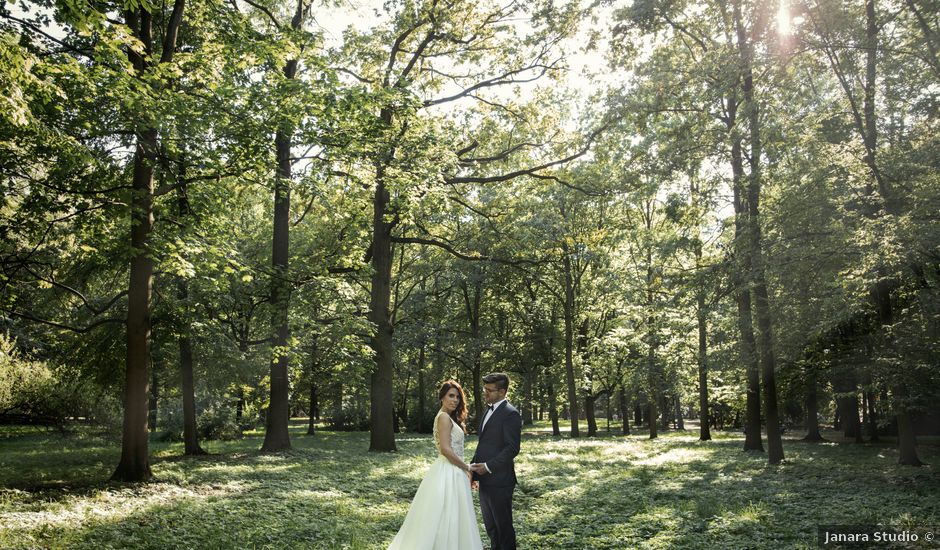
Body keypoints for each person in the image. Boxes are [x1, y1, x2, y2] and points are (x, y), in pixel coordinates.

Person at [389, 380, 484, 550]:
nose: (454, 400)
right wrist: (467, 467)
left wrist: (466, 472)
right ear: (442, 397)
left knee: (454, 515)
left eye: (457, 397)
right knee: (446, 515)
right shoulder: (443, 417)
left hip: (455, 470)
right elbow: (446, 450)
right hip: (449, 471)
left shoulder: (449, 417)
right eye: (451, 396)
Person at [469, 373, 522, 550]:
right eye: (485, 389)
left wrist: (488, 466)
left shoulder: (511, 414)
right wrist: (472, 470)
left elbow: (512, 448)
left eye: (489, 391)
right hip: (484, 480)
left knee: (503, 528)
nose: (486, 394)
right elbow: (484, 445)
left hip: (500, 481)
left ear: (502, 391)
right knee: (491, 528)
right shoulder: (488, 410)